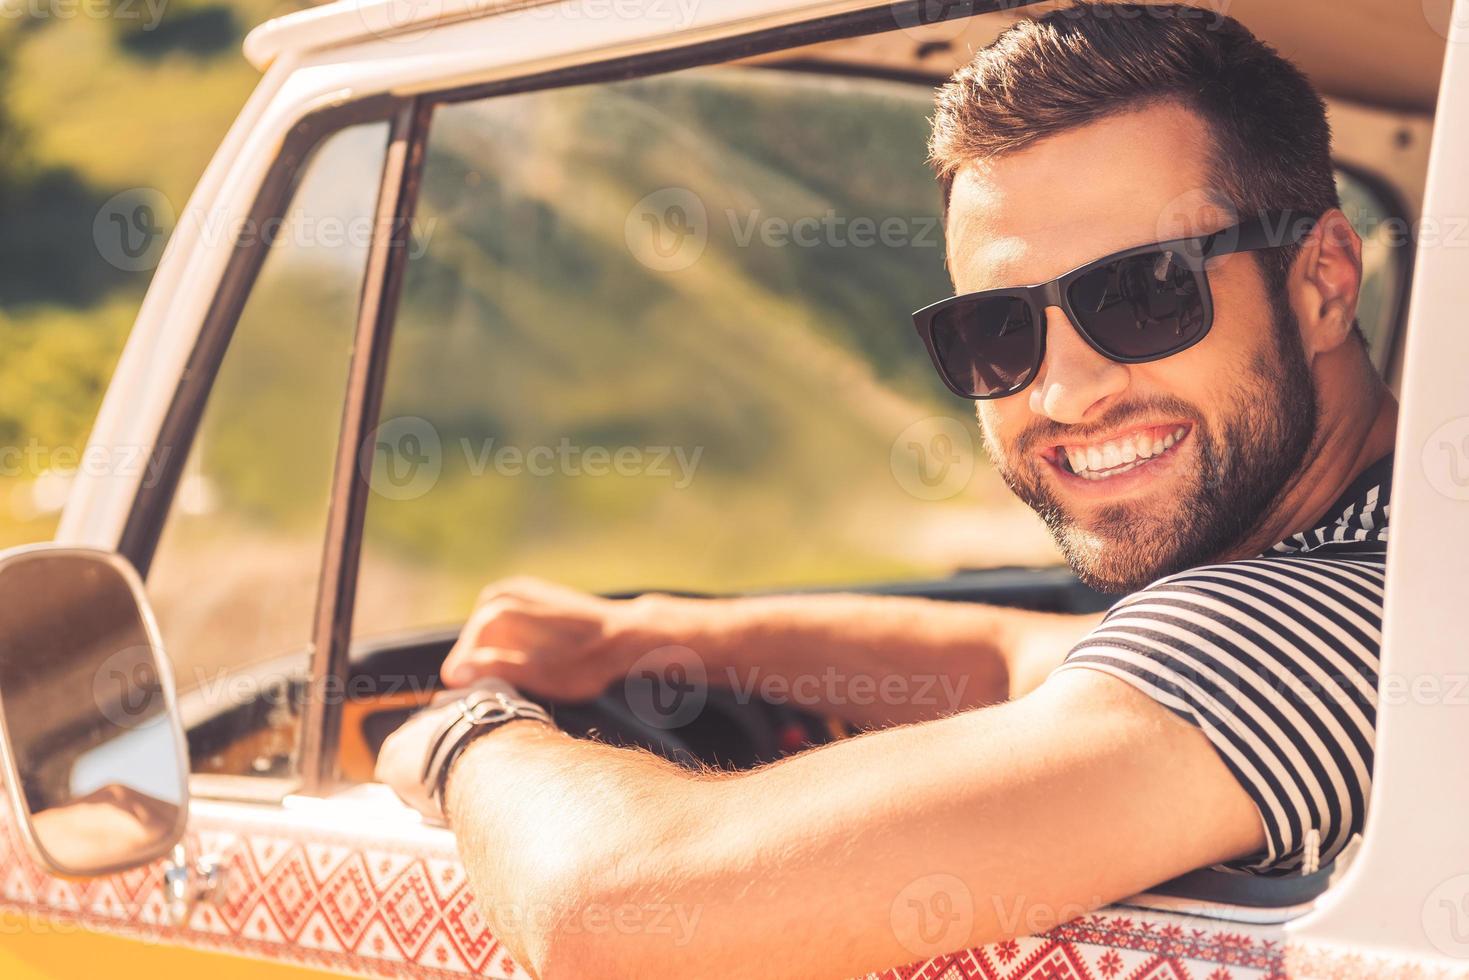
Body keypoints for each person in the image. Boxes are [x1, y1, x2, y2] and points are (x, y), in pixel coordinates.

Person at [377, 5, 1396, 976]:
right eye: (996, 329)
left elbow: (617, 910)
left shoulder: (1325, 617)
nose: (1061, 390)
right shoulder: (1385, 557)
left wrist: (465, 735)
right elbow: (1014, 657)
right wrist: (633, 635)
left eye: (1142, 292)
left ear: (1322, 279)